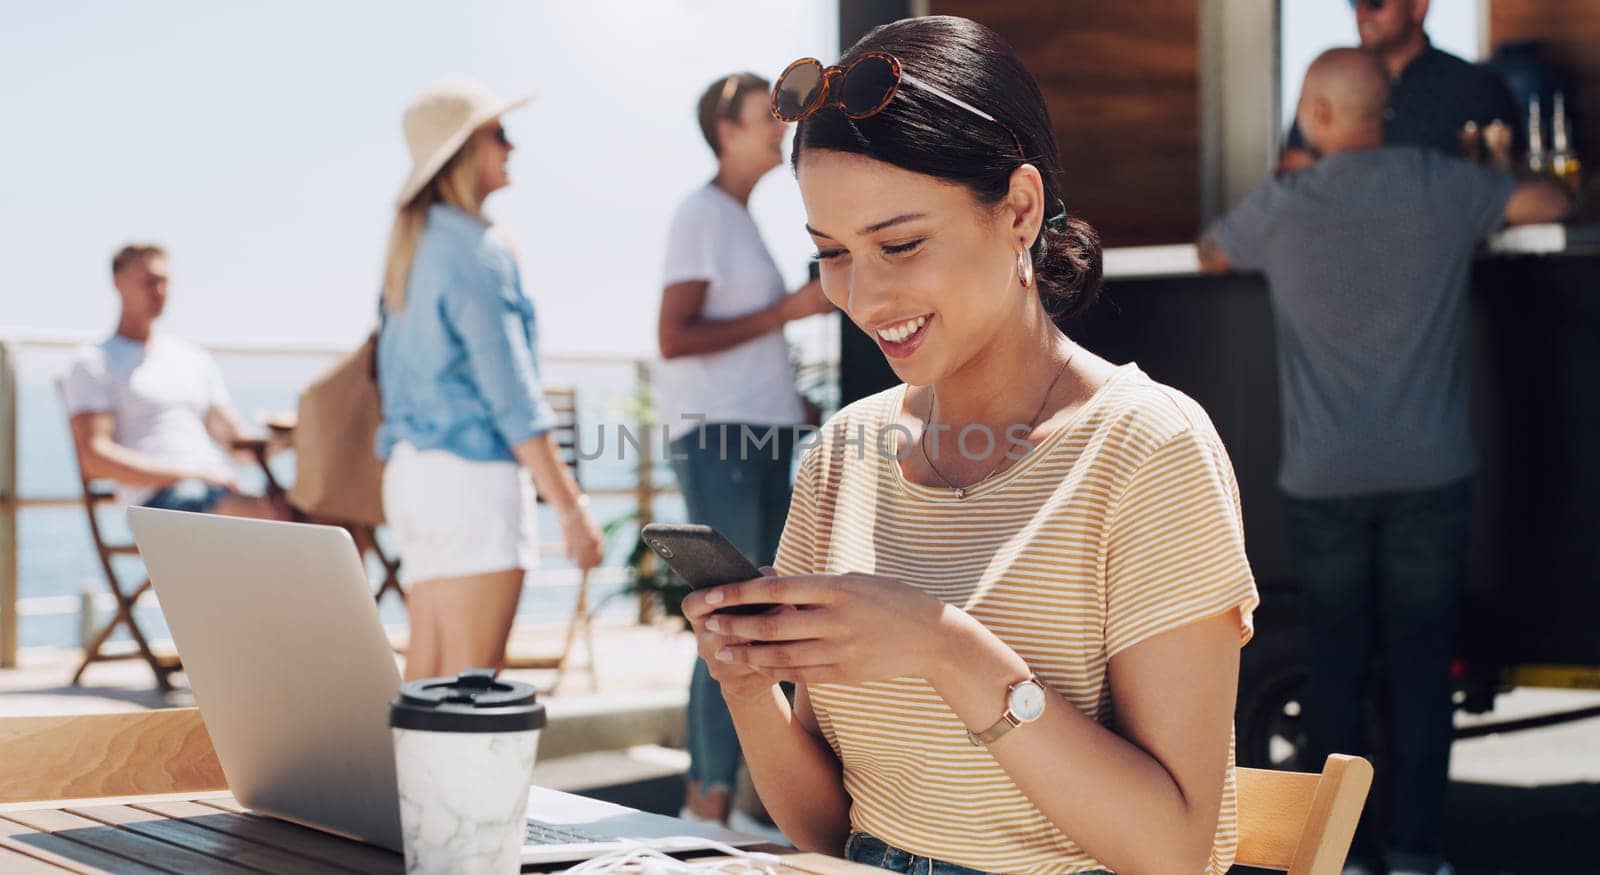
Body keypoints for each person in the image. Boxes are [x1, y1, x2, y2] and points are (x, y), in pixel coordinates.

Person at [682, 17, 1260, 874]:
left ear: (1019, 210)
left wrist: (946, 647)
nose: (865, 295)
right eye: (831, 254)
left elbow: (1171, 852)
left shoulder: (1148, 449)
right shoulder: (849, 452)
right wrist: (743, 683)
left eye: (901, 243)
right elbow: (826, 827)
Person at [1200, 49, 1570, 875]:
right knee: (1419, 669)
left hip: (1324, 478)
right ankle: (1416, 852)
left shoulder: (1286, 205)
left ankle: (1344, 855)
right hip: (1430, 473)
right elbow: (1550, 199)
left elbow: (1211, 252)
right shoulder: (1444, 185)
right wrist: (1508, 171)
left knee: (1334, 671)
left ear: (1322, 117)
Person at [376, 76, 604, 682]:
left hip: (413, 478)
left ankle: (400, 783)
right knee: (472, 686)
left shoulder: (412, 248)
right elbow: (513, 399)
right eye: (498, 134)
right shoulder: (477, 250)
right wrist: (572, 510)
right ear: (463, 152)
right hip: (470, 483)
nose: (511, 146)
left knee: (427, 680)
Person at [655, 72, 834, 827]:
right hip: (722, 436)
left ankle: (742, 799)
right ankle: (708, 800)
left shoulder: (739, 219)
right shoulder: (700, 214)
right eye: (768, 113)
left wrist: (789, 399)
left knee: (760, 606)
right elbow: (675, 336)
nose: (781, 125)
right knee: (729, 614)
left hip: (764, 432)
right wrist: (790, 309)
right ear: (727, 128)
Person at [63, 244, 289, 520]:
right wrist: (191, 472)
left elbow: (237, 446)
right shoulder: (94, 362)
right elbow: (95, 459)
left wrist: (291, 437)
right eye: (149, 282)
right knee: (280, 522)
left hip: (212, 491)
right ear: (118, 283)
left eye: (164, 282)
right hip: (159, 501)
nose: (159, 292)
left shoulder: (193, 360)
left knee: (324, 515)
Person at [1280, 0, 1519, 174]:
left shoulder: (1476, 86)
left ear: (1418, 7)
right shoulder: (1335, 80)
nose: (1361, 14)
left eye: (1375, 3)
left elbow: (1508, 179)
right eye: (1354, 3)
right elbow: (1292, 176)